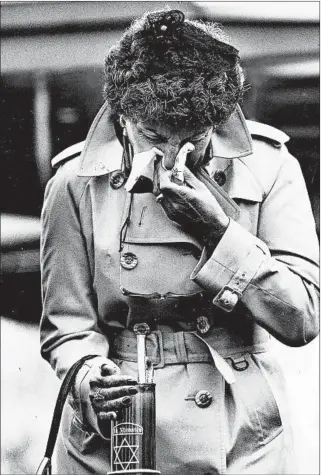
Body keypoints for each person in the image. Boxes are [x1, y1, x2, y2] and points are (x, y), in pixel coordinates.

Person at [40, 9, 319, 475]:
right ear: (123, 115)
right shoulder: (75, 182)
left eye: (194, 138)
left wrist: (218, 232)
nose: (172, 159)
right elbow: (66, 324)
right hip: (119, 425)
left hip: (238, 428)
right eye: (152, 137)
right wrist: (88, 377)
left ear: (219, 118)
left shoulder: (271, 168)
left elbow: (302, 317)